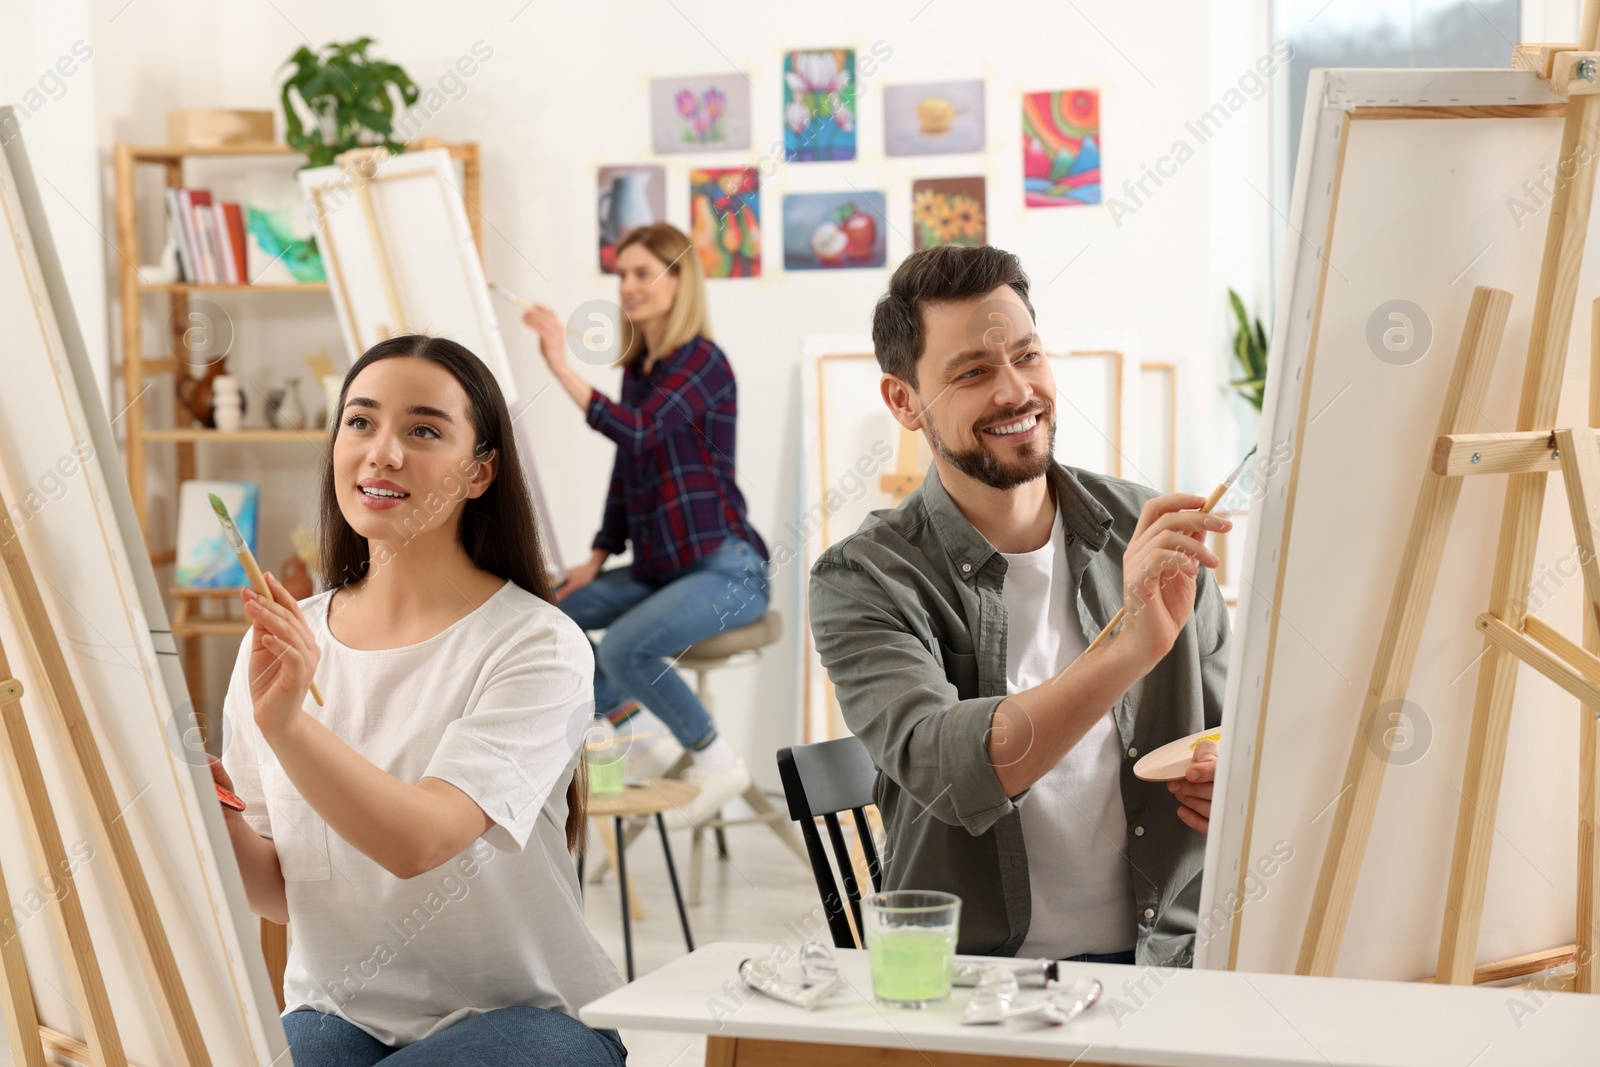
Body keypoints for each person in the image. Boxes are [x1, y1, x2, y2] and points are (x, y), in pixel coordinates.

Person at [808, 246, 1229, 967]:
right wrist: (1128, 647)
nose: (1015, 391)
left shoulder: (1150, 534)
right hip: (973, 986)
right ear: (904, 401)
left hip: (1173, 965)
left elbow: (1238, 735)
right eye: (972, 371)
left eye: (1028, 356)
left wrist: (1235, 787)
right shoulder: (863, 576)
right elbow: (950, 765)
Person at [213, 335, 627, 1066]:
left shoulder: (539, 643)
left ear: (479, 472)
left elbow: (420, 842)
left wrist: (287, 727)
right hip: (341, 1013)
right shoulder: (280, 641)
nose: (382, 453)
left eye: (424, 430)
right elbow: (281, 891)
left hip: (530, 1019)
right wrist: (204, 812)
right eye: (360, 422)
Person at [519, 222, 769, 827]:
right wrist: (597, 558)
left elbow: (637, 430)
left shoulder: (703, 361)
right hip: (661, 570)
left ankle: (715, 763)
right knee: (550, 612)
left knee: (629, 644)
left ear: (680, 281)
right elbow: (627, 468)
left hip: (728, 569)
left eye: (642, 273)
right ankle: (646, 737)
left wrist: (558, 363)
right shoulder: (642, 369)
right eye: (621, 274)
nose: (627, 286)